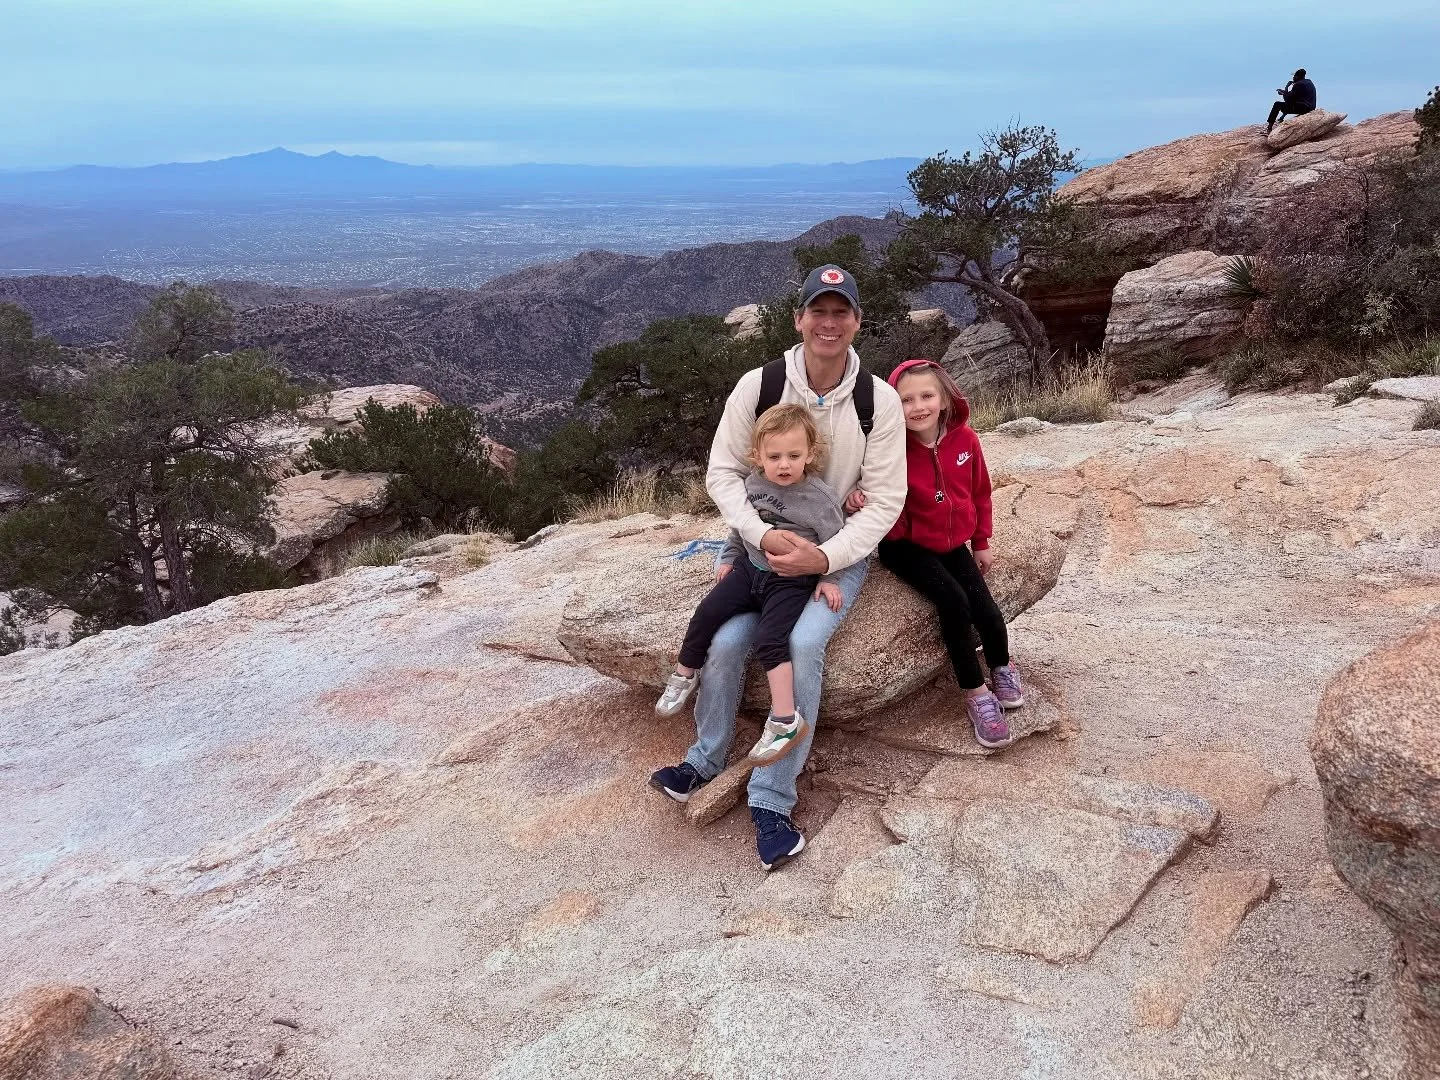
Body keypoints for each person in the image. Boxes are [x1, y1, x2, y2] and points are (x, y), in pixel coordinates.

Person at [648, 263, 907, 871]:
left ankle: (771, 799)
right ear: (799, 319)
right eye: (819, 311)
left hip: (833, 552)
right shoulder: (760, 385)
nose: (828, 323)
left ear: (857, 322)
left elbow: (885, 499)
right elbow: (723, 473)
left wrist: (825, 558)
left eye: (840, 312)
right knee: (725, 641)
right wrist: (760, 536)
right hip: (761, 552)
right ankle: (706, 759)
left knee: (803, 643)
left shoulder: (878, 401)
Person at [655, 404, 846, 769]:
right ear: (758, 456)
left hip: (790, 580)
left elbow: (835, 542)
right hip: (749, 568)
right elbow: (741, 525)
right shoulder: (754, 484)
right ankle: (683, 674)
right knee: (707, 611)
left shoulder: (819, 499)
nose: (784, 465)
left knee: (770, 639)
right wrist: (729, 557)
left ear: (810, 454)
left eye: (794, 456)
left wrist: (828, 578)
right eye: (774, 457)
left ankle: (785, 720)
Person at [851, 358, 1024, 748]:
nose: (918, 407)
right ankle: (976, 692)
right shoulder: (890, 448)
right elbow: (867, 486)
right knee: (954, 602)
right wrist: (857, 498)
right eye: (906, 399)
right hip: (904, 546)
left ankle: (1001, 665)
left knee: (987, 610)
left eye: (926, 396)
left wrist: (981, 541)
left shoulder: (966, 441)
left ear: (945, 398)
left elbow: (980, 492)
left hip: (952, 543)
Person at [1267, 69, 1317, 133]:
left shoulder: (1298, 84)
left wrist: (1286, 87)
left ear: (1298, 77)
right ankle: (1282, 118)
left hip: (1304, 108)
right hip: (1310, 106)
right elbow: (1293, 95)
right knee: (1292, 102)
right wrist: (1285, 92)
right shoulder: (1308, 82)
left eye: (1294, 76)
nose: (1293, 78)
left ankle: (1269, 127)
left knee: (1277, 104)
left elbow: (1288, 100)